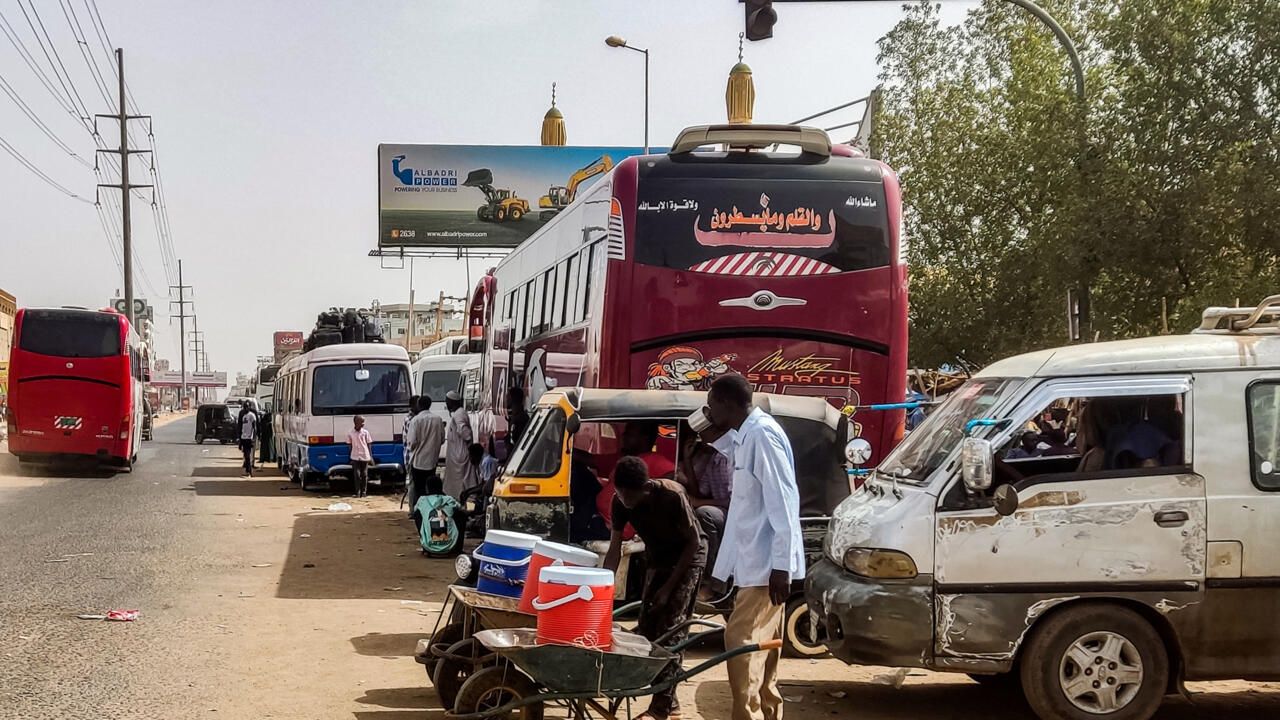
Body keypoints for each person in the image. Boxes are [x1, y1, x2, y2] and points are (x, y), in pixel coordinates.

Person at [705, 374, 803, 720]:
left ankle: (746, 715)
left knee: (740, 639)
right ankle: (767, 711)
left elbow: (784, 501)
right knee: (765, 643)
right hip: (753, 561)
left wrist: (781, 565)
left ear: (727, 403)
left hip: (766, 564)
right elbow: (745, 507)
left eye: (712, 403)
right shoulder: (746, 435)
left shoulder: (762, 434)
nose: (708, 409)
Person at [604, 456, 706, 720]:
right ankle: (668, 699)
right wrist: (601, 588)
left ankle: (662, 707)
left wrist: (668, 588)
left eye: (631, 495)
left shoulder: (672, 495)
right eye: (621, 493)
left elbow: (693, 542)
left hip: (688, 559)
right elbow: (615, 548)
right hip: (658, 559)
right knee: (647, 628)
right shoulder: (620, 503)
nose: (626, 499)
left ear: (645, 488)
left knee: (671, 630)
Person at [676, 420, 734, 588]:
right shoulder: (713, 459)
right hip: (722, 509)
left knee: (705, 513)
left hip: (735, 514)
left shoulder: (726, 458)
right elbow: (699, 491)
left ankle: (710, 578)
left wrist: (699, 502)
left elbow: (734, 500)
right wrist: (687, 459)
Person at [406, 395, 445, 519]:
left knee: (419, 489)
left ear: (419, 405)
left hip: (418, 461)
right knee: (431, 488)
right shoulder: (438, 419)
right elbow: (442, 439)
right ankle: (431, 511)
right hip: (432, 460)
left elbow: (411, 443)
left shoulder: (416, 420)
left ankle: (419, 512)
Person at [443, 391, 474, 499]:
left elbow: (465, 433)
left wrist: (469, 445)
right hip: (457, 455)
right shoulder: (458, 413)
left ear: (452, 402)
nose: (446, 405)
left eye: (448, 402)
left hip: (460, 455)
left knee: (461, 482)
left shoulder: (459, 414)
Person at [348, 415, 374, 498]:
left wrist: (370, 456)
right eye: (361, 422)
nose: (363, 424)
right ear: (356, 422)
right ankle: (357, 492)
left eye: (363, 422)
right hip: (355, 456)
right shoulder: (351, 433)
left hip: (364, 455)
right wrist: (350, 456)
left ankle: (364, 492)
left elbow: (369, 444)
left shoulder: (365, 432)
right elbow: (349, 445)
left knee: (364, 474)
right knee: (357, 474)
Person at [505, 386, 530, 458]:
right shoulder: (515, 416)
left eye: (508, 396)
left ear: (512, 399)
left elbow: (516, 440)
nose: (506, 398)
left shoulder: (520, 418)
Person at [238, 402, 258, 477]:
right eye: (245, 407)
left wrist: (254, 437)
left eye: (247, 407)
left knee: (248, 455)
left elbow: (254, 427)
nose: (246, 408)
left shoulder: (252, 415)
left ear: (249, 407)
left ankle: (249, 472)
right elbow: (242, 427)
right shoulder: (243, 416)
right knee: (245, 455)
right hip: (244, 437)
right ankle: (247, 471)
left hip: (249, 438)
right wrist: (240, 440)